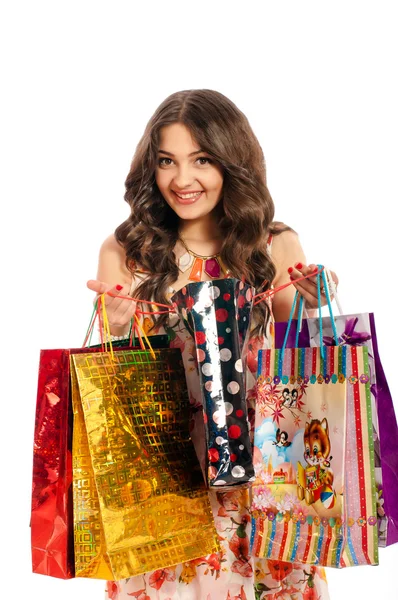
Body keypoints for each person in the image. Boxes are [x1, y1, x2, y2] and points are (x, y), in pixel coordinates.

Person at [87, 89, 337, 600]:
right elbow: (116, 361)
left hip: (263, 470)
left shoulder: (273, 243)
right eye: (167, 161)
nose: (182, 180)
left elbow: (295, 353)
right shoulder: (126, 250)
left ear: (231, 161)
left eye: (201, 159)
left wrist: (317, 297)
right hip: (167, 476)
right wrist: (117, 319)